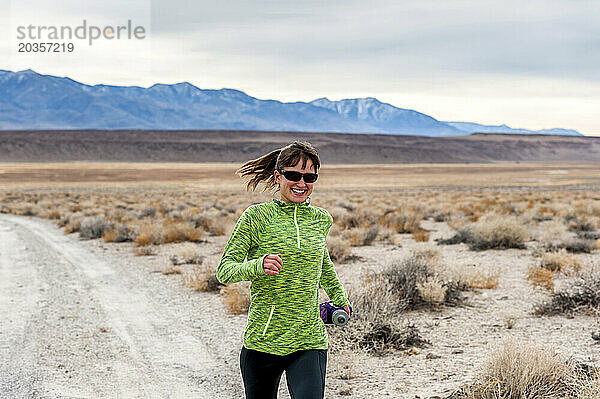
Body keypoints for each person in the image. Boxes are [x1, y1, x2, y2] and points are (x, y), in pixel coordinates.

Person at [216, 141, 351, 399]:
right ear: (278, 176)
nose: (301, 183)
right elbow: (225, 270)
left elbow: (323, 265)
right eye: (293, 175)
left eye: (309, 177)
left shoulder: (321, 220)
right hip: (263, 341)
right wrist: (258, 265)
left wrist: (341, 300)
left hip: (309, 339)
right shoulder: (256, 217)